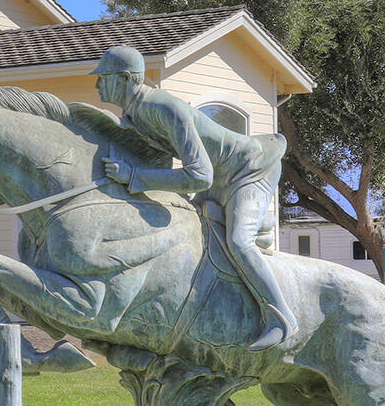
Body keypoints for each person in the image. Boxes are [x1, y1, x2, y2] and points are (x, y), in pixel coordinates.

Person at [92, 45, 297, 350]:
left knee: (239, 242)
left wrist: (134, 176)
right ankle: (260, 227)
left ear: (125, 78)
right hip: (219, 176)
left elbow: (200, 176)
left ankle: (282, 319)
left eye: (103, 77)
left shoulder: (163, 108)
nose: (97, 84)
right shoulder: (134, 114)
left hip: (249, 170)